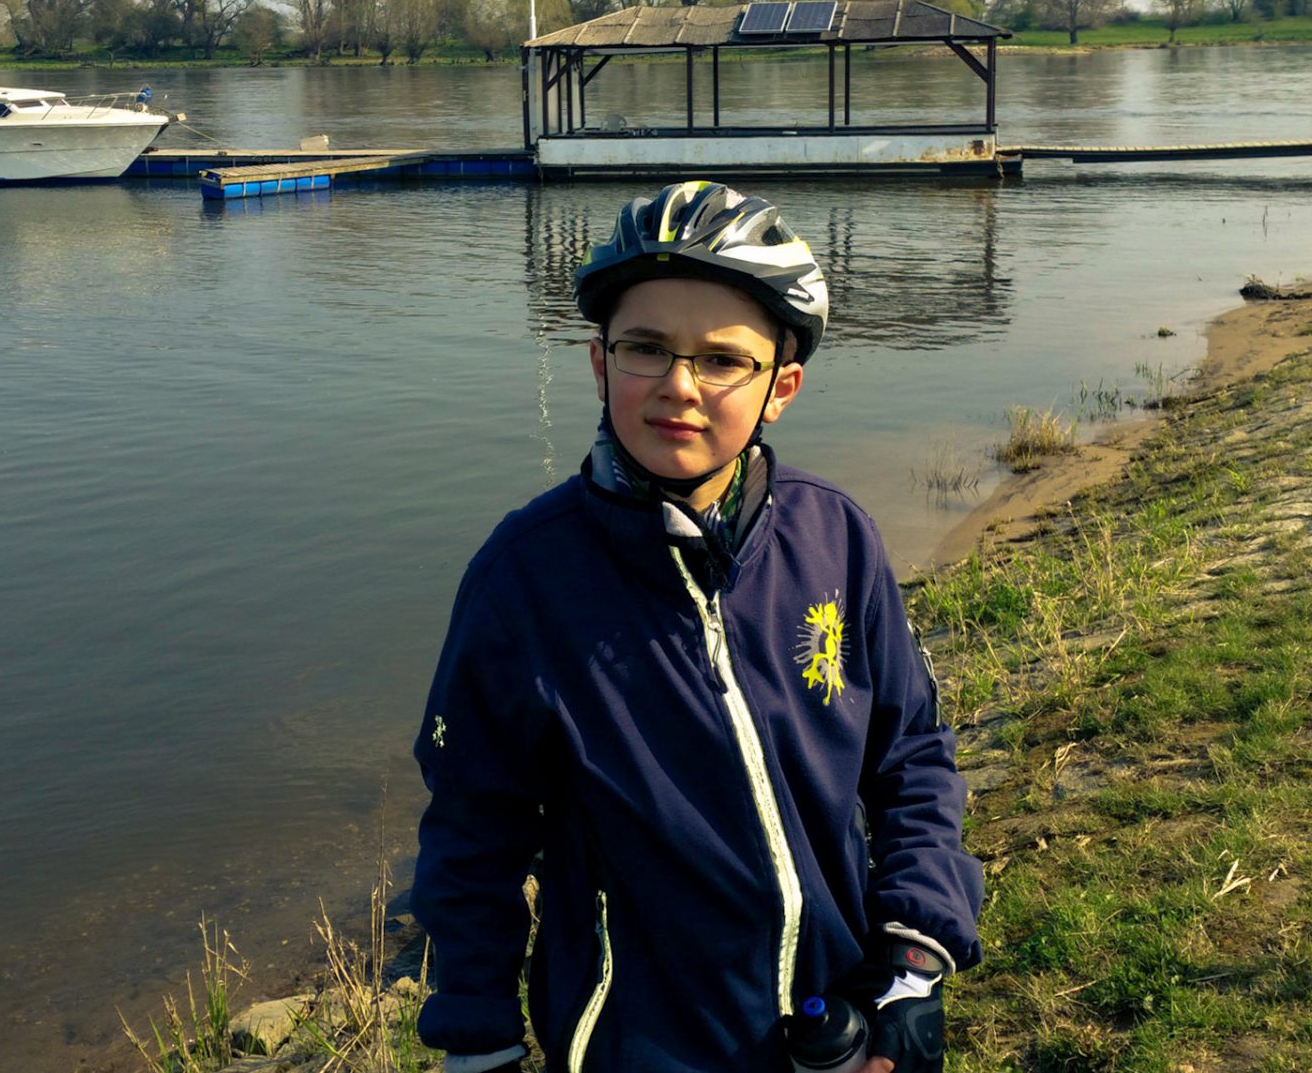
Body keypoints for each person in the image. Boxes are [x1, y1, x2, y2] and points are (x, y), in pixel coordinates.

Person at [412, 181, 983, 1073]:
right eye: (645, 348)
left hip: (838, 1019)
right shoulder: (523, 581)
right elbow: (471, 836)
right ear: (600, 363)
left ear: (781, 387)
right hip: (640, 1047)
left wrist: (913, 958)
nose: (679, 387)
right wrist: (477, 1039)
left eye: (723, 360)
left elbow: (909, 753)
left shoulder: (834, 539)